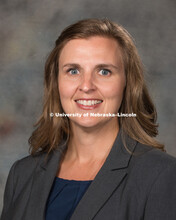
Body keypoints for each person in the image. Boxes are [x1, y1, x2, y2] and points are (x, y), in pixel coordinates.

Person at [1, 18, 176, 220]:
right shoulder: (22, 175)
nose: (86, 86)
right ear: (56, 82)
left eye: (104, 71)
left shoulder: (161, 175)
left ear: (128, 83)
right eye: (73, 71)